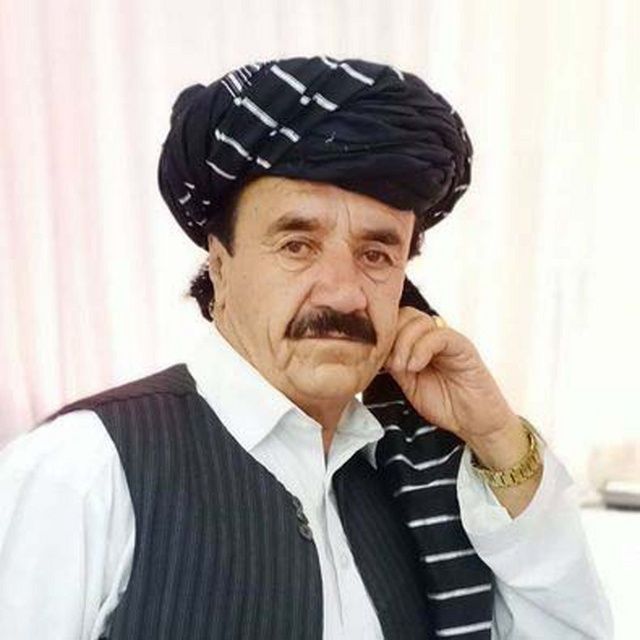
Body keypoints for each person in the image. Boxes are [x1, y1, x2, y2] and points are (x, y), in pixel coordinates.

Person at [0, 56, 612, 639]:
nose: (344, 292)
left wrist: (498, 438)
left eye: (377, 255)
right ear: (220, 266)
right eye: (297, 245)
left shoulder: (410, 473)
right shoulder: (84, 470)